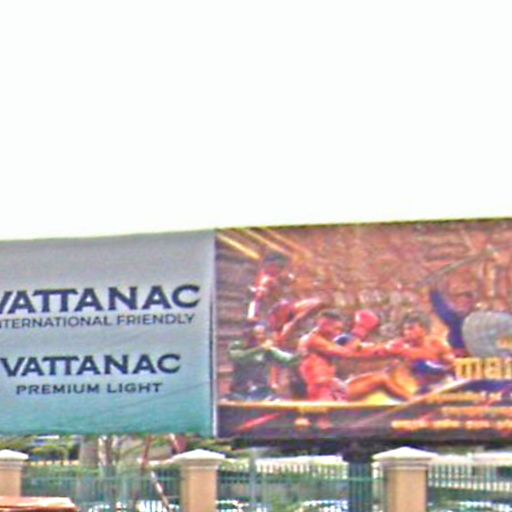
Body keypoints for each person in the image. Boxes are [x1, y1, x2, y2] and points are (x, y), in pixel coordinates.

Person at [345, 312, 455, 401]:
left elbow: (452, 366)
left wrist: (434, 368)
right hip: (423, 391)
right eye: (405, 329)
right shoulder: (400, 347)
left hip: (445, 386)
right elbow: (374, 352)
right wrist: (359, 346)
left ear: (424, 330)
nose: (406, 332)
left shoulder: (438, 345)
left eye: (411, 328)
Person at [225, 323, 298, 401]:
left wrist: (300, 353)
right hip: (240, 392)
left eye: (262, 334)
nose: (259, 337)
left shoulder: (268, 351)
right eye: (256, 334)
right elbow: (239, 357)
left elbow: (288, 359)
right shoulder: (238, 346)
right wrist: (260, 348)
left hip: (262, 392)